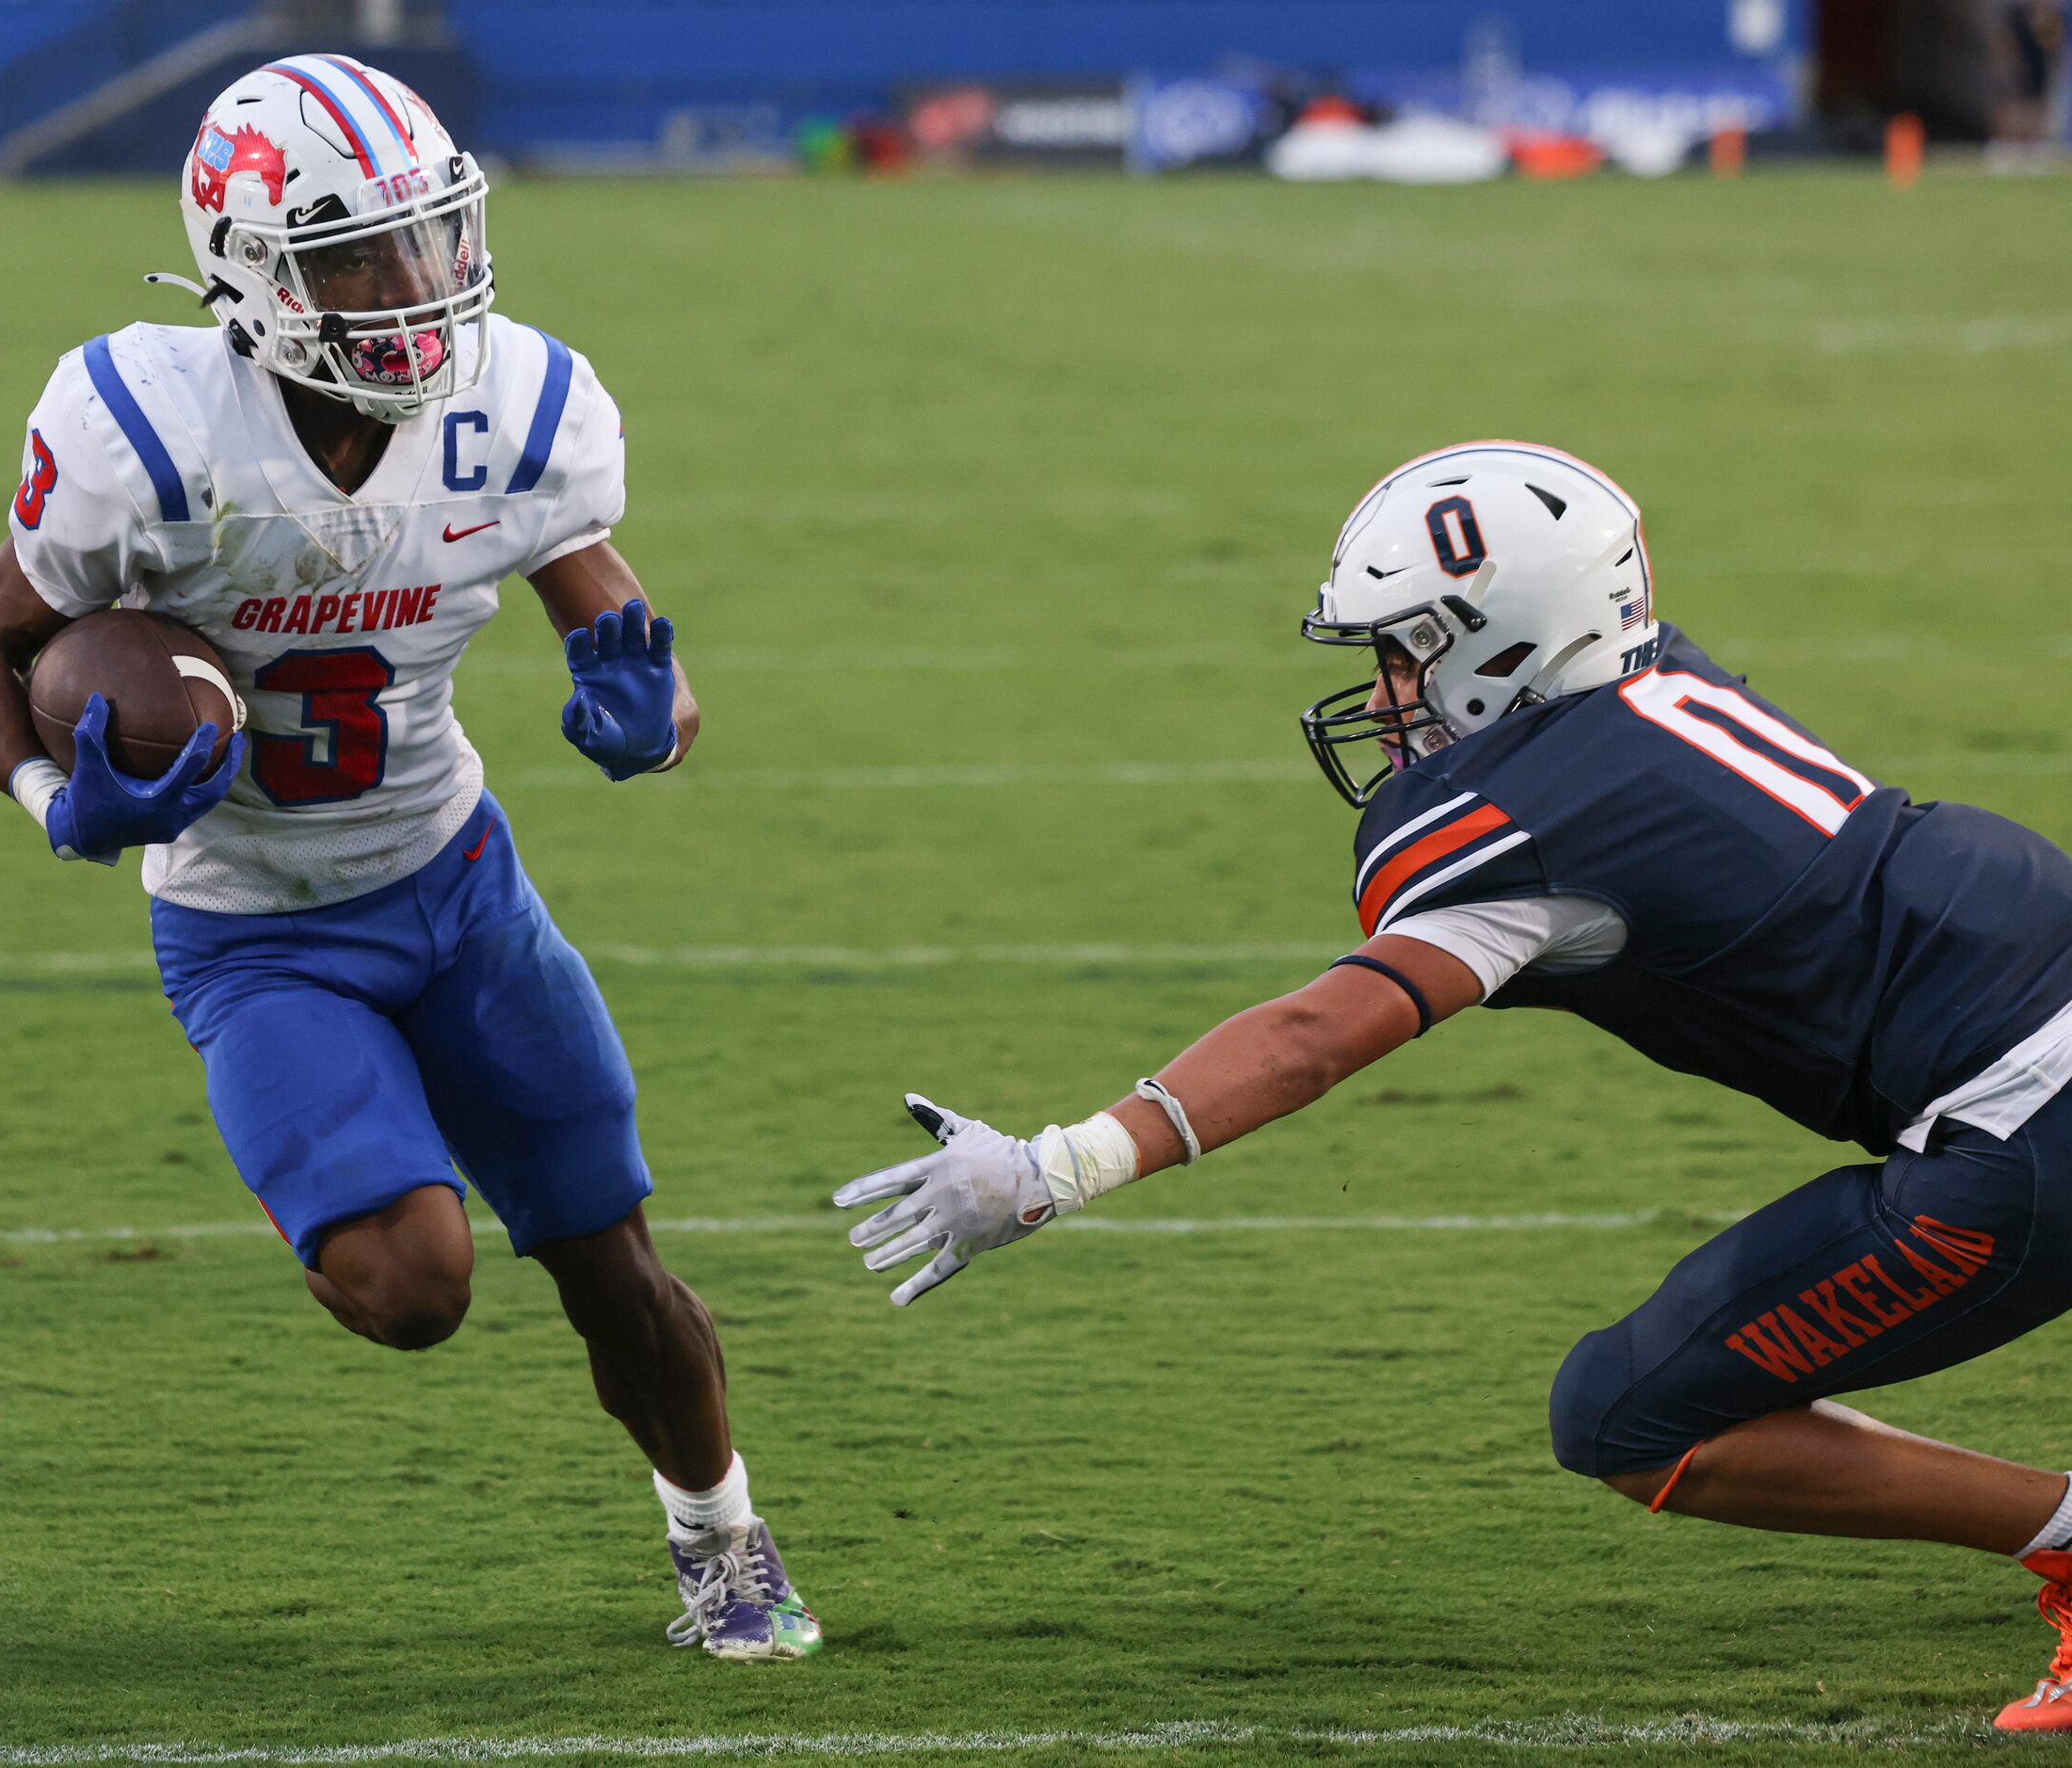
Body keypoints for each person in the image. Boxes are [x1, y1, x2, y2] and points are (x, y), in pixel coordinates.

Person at [836, 441, 2072, 1728]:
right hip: (2036, 981)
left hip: (2022, 1115)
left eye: (1402, 651)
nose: (1383, 697)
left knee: (1628, 1413)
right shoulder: (1651, 681)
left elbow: (1320, 1029)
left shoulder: (1524, 819)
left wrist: (1062, 1163)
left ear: (1501, 641)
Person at [0, 55, 818, 1662]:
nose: (412, 287)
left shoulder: (522, 404)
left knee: (612, 1258)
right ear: (249, 274)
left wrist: (644, 700)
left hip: (458, 883)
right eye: (356, 255)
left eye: (429, 239)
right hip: (253, 923)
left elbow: (602, 600)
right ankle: (335, 1164)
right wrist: (55, 795)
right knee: (415, 1286)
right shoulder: (147, 429)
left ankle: (727, 1547)